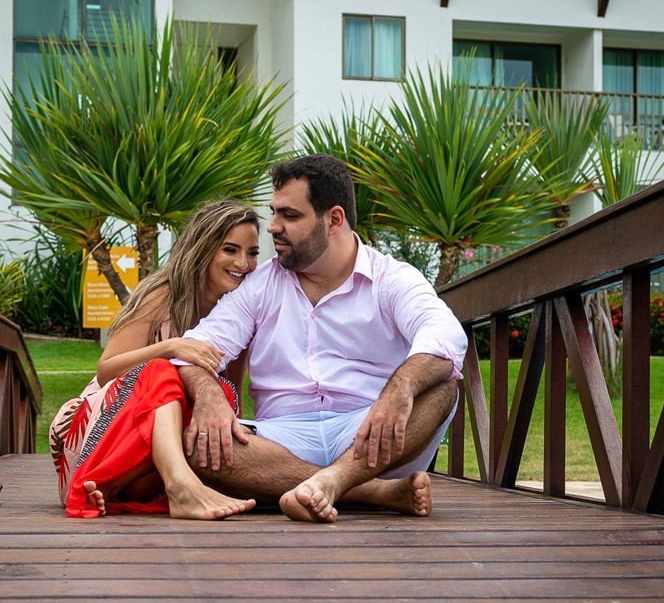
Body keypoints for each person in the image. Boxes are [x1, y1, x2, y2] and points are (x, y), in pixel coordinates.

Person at [173, 154, 469, 523]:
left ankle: (336, 480)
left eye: (289, 215)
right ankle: (368, 492)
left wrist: (400, 389)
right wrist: (209, 395)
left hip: (368, 432)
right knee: (193, 441)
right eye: (274, 212)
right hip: (279, 438)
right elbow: (196, 349)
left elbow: (445, 335)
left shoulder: (391, 278)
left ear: (333, 220)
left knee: (442, 389)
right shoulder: (260, 285)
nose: (273, 227)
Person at [49, 199, 260, 520]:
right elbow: (106, 370)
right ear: (203, 248)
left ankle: (120, 488)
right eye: (229, 250)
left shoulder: (240, 311)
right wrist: (171, 348)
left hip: (150, 463)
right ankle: (171, 486)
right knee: (162, 371)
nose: (243, 263)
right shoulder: (162, 293)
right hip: (100, 437)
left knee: (223, 394)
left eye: (253, 252)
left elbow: (231, 390)